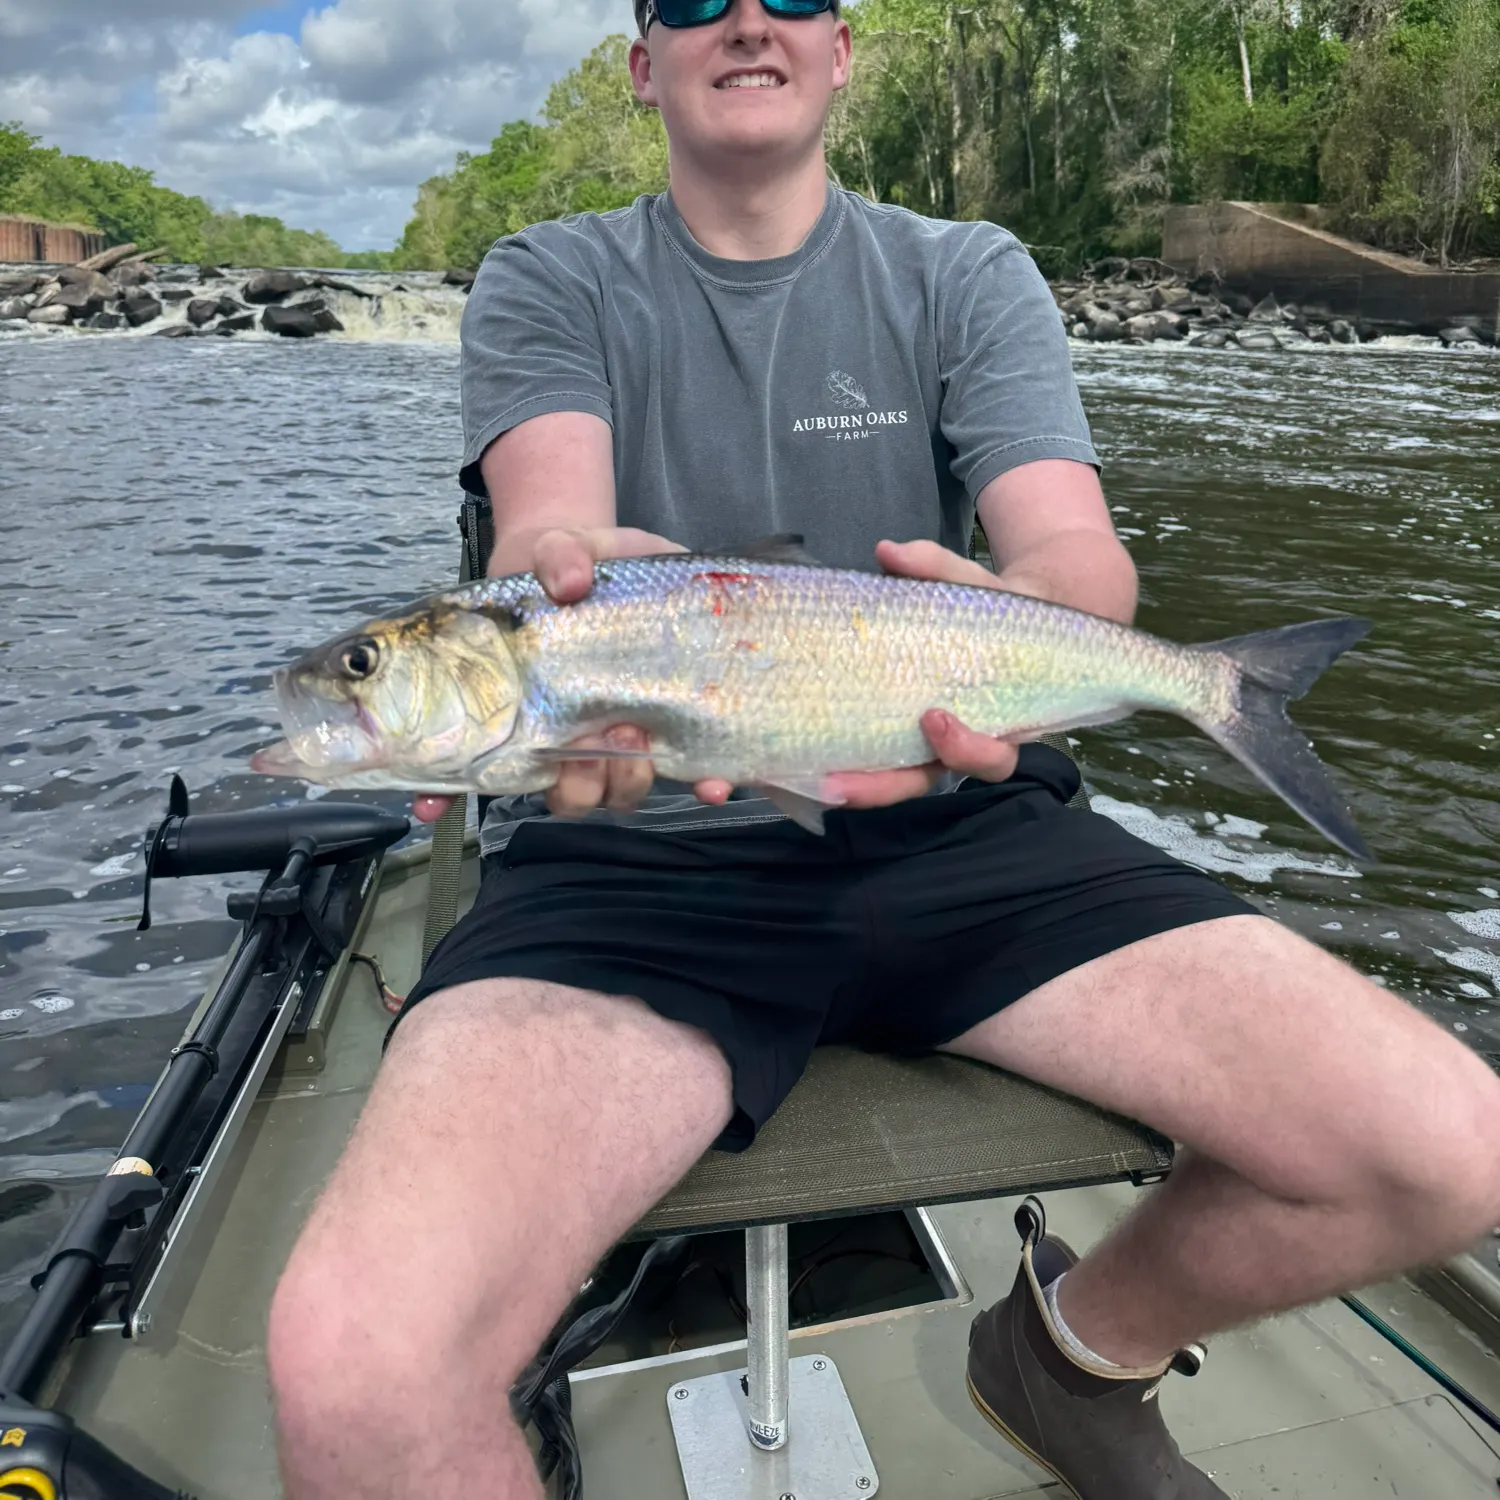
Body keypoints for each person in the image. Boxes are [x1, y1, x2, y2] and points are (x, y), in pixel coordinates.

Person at [264, 2, 1500, 1496]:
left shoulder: (965, 271)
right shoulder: (552, 273)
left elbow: (1076, 566)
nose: (745, 19)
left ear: (841, 50)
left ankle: (1069, 1353)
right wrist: (581, 571)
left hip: (969, 827)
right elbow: (549, 535)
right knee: (354, 1366)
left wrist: (1026, 616)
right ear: (639, 62)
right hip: (632, 865)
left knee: (1450, 1149)